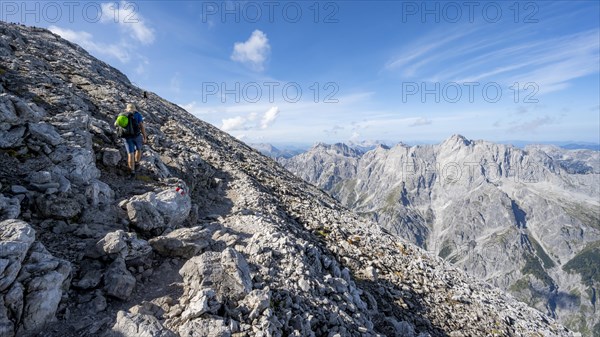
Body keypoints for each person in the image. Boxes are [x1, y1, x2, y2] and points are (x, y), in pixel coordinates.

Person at [114, 103, 147, 177]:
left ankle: (132, 171)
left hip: (126, 137)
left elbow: (115, 124)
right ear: (134, 109)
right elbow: (142, 126)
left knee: (130, 154)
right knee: (138, 149)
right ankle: (137, 163)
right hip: (137, 136)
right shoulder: (137, 115)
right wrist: (145, 137)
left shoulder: (122, 115)